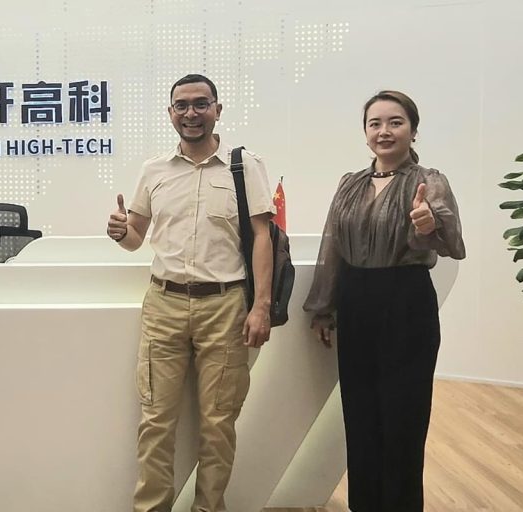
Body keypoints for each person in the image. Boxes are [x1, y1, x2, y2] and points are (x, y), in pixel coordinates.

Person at [107, 74, 275, 512]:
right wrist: (122, 232)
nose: (191, 113)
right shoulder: (154, 171)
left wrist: (261, 306)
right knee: (156, 419)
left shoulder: (244, 166)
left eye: (201, 104)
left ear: (218, 109)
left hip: (225, 306)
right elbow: (136, 237)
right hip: (163, 304)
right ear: (170, 113)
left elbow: (263, 237)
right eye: (181, 105)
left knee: (219, 423)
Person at [303, 90, 465, 511]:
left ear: (413, 130)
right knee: (360, 414)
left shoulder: (428, 181)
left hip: (406, 301)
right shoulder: (350, 183)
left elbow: (452, 242)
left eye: (395, 122)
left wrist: (428, 223)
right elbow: (333, 247)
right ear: (365, 133)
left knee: (404, 417)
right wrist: (323, 308)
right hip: (356, 303)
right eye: (375, 123)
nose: (384, 131)